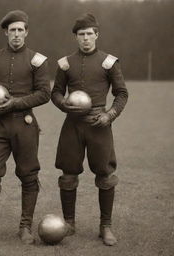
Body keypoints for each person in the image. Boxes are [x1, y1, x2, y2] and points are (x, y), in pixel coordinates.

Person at [0, 10, 51, 247]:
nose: (16, 34)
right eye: (12, 30)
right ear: (6, 32)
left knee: (28, 175)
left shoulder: (37, 60)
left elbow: (44, 94)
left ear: (26, 32)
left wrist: (15, 102)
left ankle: (25, 227)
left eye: (20, 30)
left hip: (25, 125)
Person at [51, 12, 128, 246]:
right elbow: (55, 92)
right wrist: (64, 104)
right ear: (75, 37)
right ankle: (69, 223)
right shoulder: (66, 63)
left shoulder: (109, 62)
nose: (85, 38)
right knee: (67, 175)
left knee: (105, 176)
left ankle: (105, 226)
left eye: (89, 34)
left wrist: (110, 115)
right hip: (73, 125)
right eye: (81, 34)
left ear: (97, 35)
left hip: (99, 124)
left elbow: (121, 93)